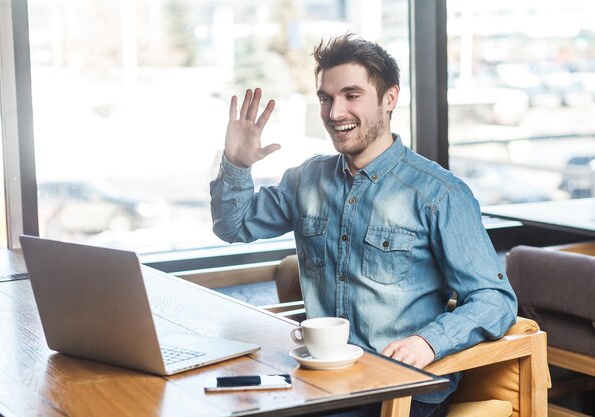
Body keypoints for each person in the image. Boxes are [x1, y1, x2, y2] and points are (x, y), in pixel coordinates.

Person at [210, 34, 517, 417]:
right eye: (326, 98)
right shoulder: (306, 179)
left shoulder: (440, 193)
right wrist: (237, 164)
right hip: (321, 379)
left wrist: (427, 342)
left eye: (351, 95)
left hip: (401, 390)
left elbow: (495, 299)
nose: (335, 112)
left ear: (389, 98)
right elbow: (231, 226)